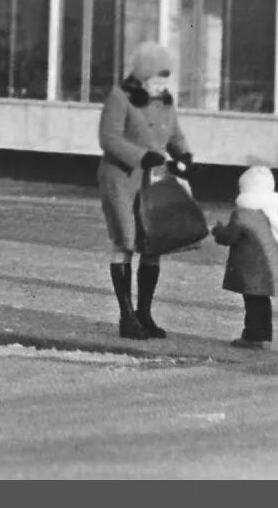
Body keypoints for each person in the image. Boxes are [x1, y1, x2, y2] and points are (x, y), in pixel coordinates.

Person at [97, 40, 194, 340]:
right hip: (122, 180)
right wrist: (141, 156)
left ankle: (144, 314)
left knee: (153, 244)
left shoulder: (165, 101)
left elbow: (174, 132)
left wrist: (183, 155)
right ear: (141, 76)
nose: (160, 86)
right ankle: (127, 317)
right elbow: (109, 138)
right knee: (125, 241)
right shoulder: (119, 97)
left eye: (165, 80)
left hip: (153, 179)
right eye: (155, 80)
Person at [211, 165, 278, 350]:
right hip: (268, 267)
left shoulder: (242, 214)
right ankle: (264, 336)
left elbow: (230, 237)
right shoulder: (269, 213)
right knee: (262, 302)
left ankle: (252, 336)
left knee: (252, 302)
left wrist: (218, 231)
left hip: (250, 269)